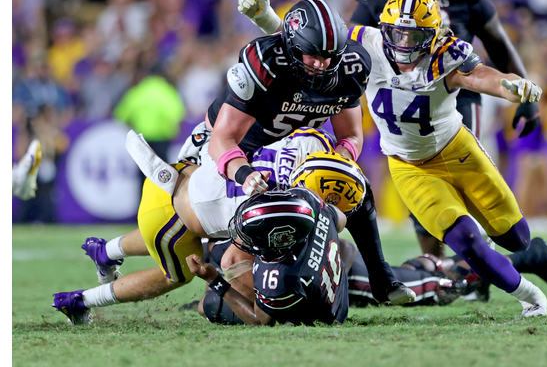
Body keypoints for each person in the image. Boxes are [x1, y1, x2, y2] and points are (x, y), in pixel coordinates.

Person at [237, 0, 547, 316]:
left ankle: (518, 253)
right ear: (383, 28)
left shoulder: (446, 53)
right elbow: (310, 40)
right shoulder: (367, 44)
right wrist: (267, 19)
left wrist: (511, 87)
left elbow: (484, 76)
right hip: (410, 166)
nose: (403, 44)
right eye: (396, 34)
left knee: (516, 238)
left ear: (433, 35)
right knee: (467, 240)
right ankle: (531, 297)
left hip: (458, 150)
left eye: (413, 36)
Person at [184, 0, 414, 305]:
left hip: (292, 147)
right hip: (238, 151)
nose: (322, 64)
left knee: (352, 183)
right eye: (313, 55)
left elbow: (351, 136)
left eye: (330, 56)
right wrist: (245, 174)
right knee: (193, 248)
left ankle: (381, 276)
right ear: (292, 50)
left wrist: (339, 163)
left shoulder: (351, 67)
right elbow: (221, 139)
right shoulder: (264, 64)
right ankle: (221, 294)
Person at [51, 127, 371, 325]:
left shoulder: (305, 143)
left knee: (199, 238)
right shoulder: (276, 212)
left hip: (176, 177)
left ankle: (105, 251)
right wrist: (222, 280)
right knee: (179, 274)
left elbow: (218, 130)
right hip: (171, 218)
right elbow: (231, 257)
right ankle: (80, 300)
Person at [350, 0, 538, 258]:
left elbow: (497, 41)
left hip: (458, 86)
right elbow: (352, 49)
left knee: (467, 180)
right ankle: (437, 264)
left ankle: (476, 265)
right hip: (400, 91)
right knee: (420, 182)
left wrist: (526, 96)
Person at [191, 234, 547, 325]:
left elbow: (261, 315)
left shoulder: (245, 240)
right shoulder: (236, 248)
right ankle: (519, 260)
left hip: (351, 278)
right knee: (430, 273)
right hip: (349, 281)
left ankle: (528, 255)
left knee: (443, 283)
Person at [186, 187, 349, 326]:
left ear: (278, 241)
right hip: (332, 285)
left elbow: (259, 319)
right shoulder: (308, 201)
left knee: (207, 304)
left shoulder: (279, 279)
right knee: (231, 258)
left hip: (320, 312)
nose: (244, 236)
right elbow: (341, 219)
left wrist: (215, 281)